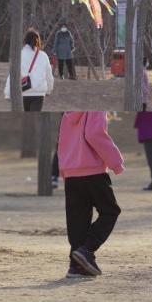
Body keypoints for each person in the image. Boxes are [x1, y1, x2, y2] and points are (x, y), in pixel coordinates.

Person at [58, 112, 124, 278]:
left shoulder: (68, 110)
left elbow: (63, 140)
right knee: (110, 211)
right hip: (92, 170)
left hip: (71, 171)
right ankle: (87, 249)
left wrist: (63, 169)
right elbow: (94, 133)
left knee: (77, 220)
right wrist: (116, 161)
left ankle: (76, 267)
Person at [4, 29, 54, 111]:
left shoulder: (19, 55)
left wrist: (8, 93)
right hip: (39, 93)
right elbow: (49, 75)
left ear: (25, 40)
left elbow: (12, 74)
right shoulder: (43, 56)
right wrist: (49, 90)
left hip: (23, 91)